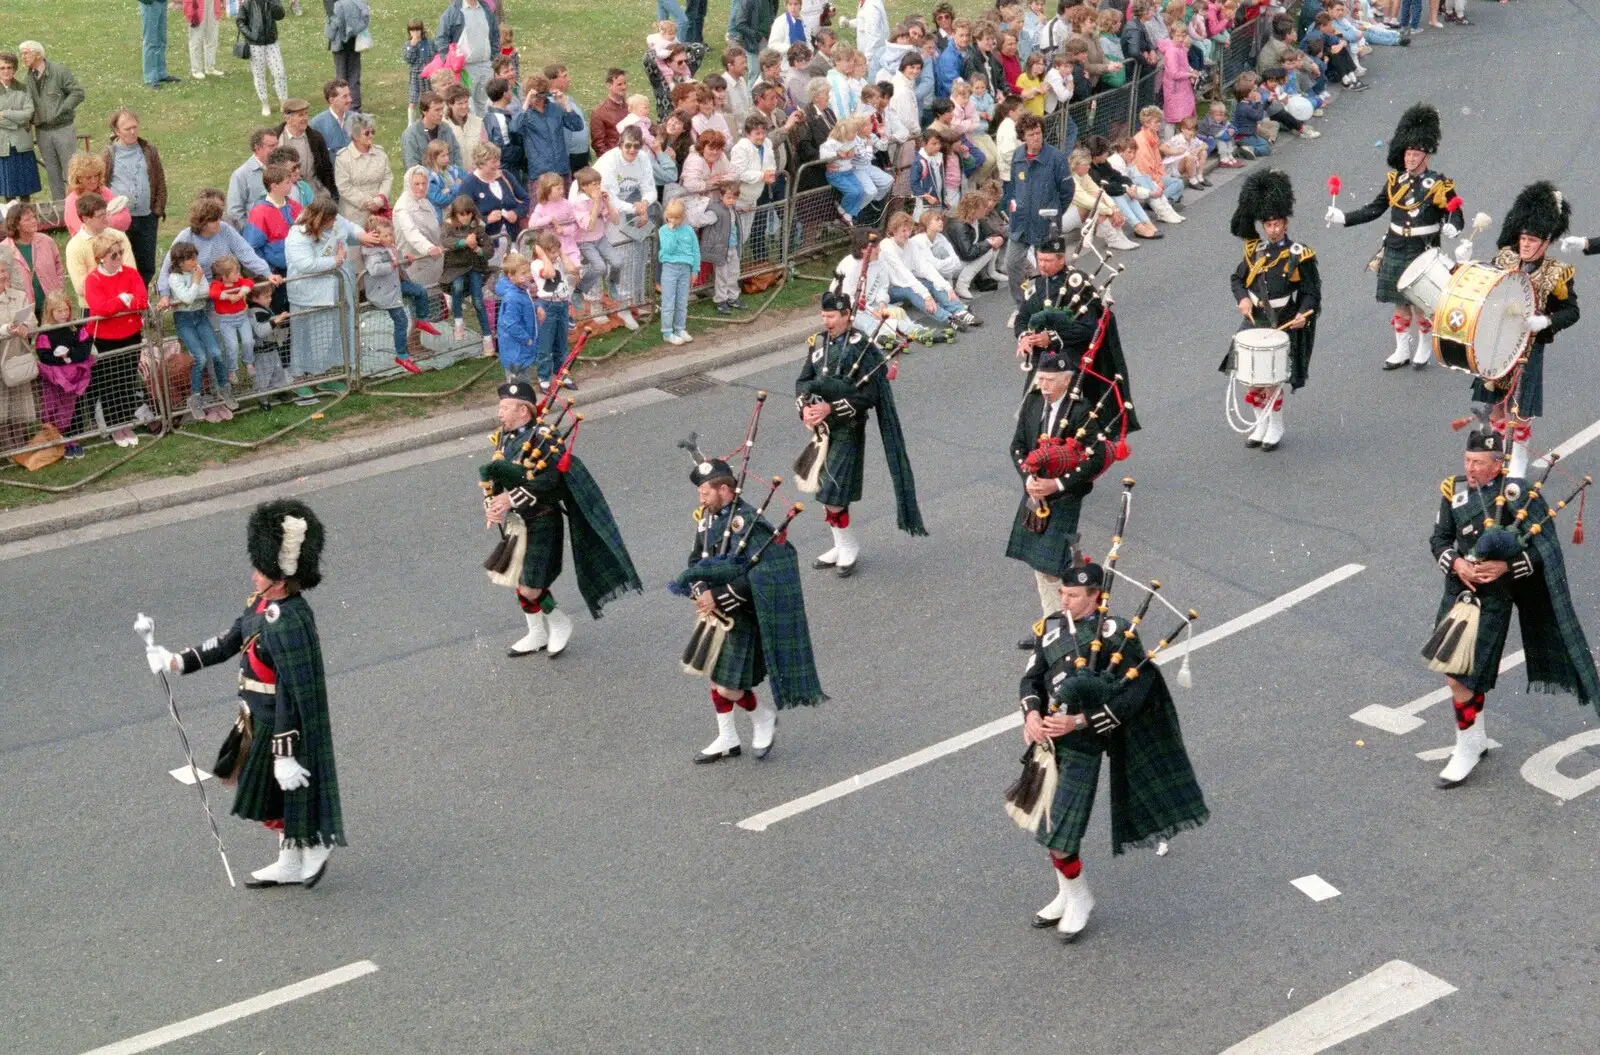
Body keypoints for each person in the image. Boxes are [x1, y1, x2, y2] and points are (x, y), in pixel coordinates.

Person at [147, 500, 345, 889]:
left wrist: (286, 752)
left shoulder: (290, 619)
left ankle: (314, 843)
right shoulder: (259, 604)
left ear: (281, 577)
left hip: (278, 721)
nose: (254, 575)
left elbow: (292, 689)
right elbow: (227, 641)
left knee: (273, 793)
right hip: (254, 716)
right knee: (263, 798)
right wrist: (176, 660)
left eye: (262, 570)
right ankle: (290, 858)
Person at [1017, 557, 1209, 939]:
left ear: (1095, 596)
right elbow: (1032, 679)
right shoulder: (1051, 627)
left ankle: (1080, 897)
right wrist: (1032, 714)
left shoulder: (1117, 635)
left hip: (1085, 744)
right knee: (1049, 827)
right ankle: (1067, 893)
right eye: (1063, 593)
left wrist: (1079, 722)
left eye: (1073, 595)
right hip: (1048, 744)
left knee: (1061, 837)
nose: (1065, 600)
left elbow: (1130, 697)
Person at [1424, 429, 1600, 787]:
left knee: (1459, 675)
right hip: (1458, 592)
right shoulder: (1453, 490)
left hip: (1496, 597)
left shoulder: (1518, 495)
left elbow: (1543, 551)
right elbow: (1439, 539)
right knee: (1463, 674)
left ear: (1497, 464)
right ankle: (1475, 739)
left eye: (1479, 463)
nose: (1471, 468)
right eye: (1467, 460)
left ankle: (1467, 748)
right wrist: (1457, 563)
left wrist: (1505, 567)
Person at [674, 444, 826, 762]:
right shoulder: (707, 520)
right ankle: (727, 738)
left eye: (705, 493)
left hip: (743, 614)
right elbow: (695, 560)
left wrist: (718, 596)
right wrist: (701, 591)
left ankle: (763, 717)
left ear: (725, 490)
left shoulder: (749, 524)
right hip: (713, 612)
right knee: (714, 675)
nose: (701, 499)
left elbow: (767, 571)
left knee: (728, 686)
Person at [480, 375, 642, 655]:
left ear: (523, 410)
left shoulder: (546, 438)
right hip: (517, 522)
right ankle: (537, 633)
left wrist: (509, 499)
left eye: (504, 407)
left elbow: (549, 483)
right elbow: (497, 473)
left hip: (543, 520)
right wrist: (492, 502)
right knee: (519, 579)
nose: (499, 412)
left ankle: (559, 621)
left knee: (531, 587)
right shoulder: (506, 437)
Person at [795, 289, 926, 576]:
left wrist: (831, 408)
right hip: (822, 429)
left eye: (831, 316)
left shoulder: (862, 346)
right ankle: (840, 544)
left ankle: (848, 545)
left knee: (833, 491)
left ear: (847, 316)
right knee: (825, 489)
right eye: (823, 315)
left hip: (848, 426)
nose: (826, 321)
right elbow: (804, 380)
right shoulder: (818, 342)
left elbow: (870, 395)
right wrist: (806, 407)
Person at [1326, 104, 1464, 370]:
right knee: (1399, 302)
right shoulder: (1395, 181)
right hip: (1396, 245)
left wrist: (1452, 226)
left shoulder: (1438, 183)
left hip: (1423, 249)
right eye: (1408, 154)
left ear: (1426, 156)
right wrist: (1344, 218)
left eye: (1415, 154)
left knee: (1421, 303)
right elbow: (1375, 209)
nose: (1410, 159)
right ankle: (1402, 349)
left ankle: (1424, 344)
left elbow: (1455, 212)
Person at [1470, 183, 1579, 478]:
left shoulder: (1557, 272)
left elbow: (1572, 311)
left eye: (1532, 240)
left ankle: (1517, 461)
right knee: (1493, 404)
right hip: (1497, 341)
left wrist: (1547, 322)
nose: (1526, 244)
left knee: (1520, 411)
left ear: (1545, 242)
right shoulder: (1504, 258)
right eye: (1523, 238)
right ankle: (1496, 459)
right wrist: (1465, 266)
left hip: (1529, 347)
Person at [1005, 349, 1113, 633]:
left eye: (1050, 380)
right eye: (1040, 378)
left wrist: (1057, 484)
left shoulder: (1081, 411)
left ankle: (1056, 627)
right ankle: (1065, 616)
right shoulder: (1032, 403)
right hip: (1034, 493)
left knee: (1049, 567)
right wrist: (1028, 478)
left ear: (1066, 380)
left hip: (1064, 496)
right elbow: (1017, 446)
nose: (1043, 385)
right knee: (1045, 564)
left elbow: (1097, 457)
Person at [1219, 169, 1319, 453]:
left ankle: (1275, 424)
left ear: (1285, 223)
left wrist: (1304, 314)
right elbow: (1237, 279)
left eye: (1277, 224)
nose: (1272, 229)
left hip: (1283, 319)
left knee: (1272, 379)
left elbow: (1311, 292)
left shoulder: (1300, 254)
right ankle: (1260, 423)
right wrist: (1242, 300)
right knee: (1250, 375)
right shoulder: (1254, 250)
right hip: (1255, 317)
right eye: (1268, 224)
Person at [81, 233, 149, 448]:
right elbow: (100, 308)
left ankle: (126, 422)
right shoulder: (93, 279)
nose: (119, 257)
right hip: (105, 339)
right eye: (114, 255)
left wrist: (120, 304)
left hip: (130, 334)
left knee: (127, 379)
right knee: (110, 383)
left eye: (121, 253)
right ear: (101, 257)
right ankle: (113, 426)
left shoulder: (130, 273)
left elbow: (142, 301)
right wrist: (122, 300)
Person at [1002, 113, 1072, 310]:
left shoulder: (1056, 158)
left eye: (1038, 133)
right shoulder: (1017, 155)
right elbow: (1013, 188)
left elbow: (1067, 191)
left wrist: (1055, 212)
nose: (1036, 138)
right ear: (1022, 136)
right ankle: (1022, 307)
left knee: (1050, 267)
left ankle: (1053, 304)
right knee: (1012, 263)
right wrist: (1014, 208)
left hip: (1046, 224)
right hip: (1020, 223)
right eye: (1031, 134)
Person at [100, 108, 167, 286]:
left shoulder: (148, 150)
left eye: (135, 127)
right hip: (120, 221)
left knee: (146, 266)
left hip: (146, 218)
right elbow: (101, 186)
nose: (132, 132)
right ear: (116, 131)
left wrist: (157, 211)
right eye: (127, 128)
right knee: (124, 263)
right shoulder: (109, 154)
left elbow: (159, 180)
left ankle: (142, 303)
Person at [168, 242, 229, 419]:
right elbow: (186, 299)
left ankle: (224, 388)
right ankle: (195, 397)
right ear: (180, 262)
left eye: (195, 257)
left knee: (216, 353)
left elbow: (205, 291)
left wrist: (194, 287)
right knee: (200, 357)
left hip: (200, 315)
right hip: (185, 320)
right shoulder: (174, 278)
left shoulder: (198, 270)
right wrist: (195, 282)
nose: (195, 261)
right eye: (191, 259)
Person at [18, 42, 82, 203]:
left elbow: (77, 93)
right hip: (42, 132)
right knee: (53, 173)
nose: (23, 57)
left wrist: (61, 110)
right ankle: (60, 210)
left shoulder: (59, 71)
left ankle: (76, 207)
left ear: (39, 54)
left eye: (26, 53)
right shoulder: (28, 78)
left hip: (63, 128)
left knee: (71, 171)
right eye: (22, 53)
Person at [31, 291, 92, 456]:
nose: (64, 314)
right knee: (55, 408)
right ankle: (58, 440)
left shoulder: (76, 327)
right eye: (59, 311)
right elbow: (44, 356)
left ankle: (74, 438)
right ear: (50, 313)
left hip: (76, 378)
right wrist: (62, 360)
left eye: (66, 310)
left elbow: (85, 348)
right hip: (56, 381)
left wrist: (70, 357)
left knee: (74, 408)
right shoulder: (45, 333)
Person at [568, 166, 627, 327]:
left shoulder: (601, 198)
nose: (597, 187)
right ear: (584, 187)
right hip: (584, 241)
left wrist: (607, 203)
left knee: (617, 262)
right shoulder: (578, 203)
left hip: (600, 238)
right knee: (599, 266)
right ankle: (579, 292)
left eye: (598, 183)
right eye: (593, 184)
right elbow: (589, 226)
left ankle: (612, 282)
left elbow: (615, 220)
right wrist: (595, 203)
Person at [513, 74, 585, 187]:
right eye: (534, 95)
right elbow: (515, 128)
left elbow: (577, 126)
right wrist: (526, 102)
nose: (537, 99)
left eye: (540, 95)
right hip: (540, 172)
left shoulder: (555, 109)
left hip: (561, 169)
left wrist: (565, 103)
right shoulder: (525, 113)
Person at [2, 202, 64, 320]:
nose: (34, 221)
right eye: (28, 219)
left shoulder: (47, 241)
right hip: (23, 310)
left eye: (34, 217)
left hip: (52, 306)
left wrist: (59, 289)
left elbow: (58, 267)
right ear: (16, 225)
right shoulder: (4, 250)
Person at [437, 0, 500, 115]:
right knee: (468, 106)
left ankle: (485, 132)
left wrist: (494, 59)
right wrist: (449, 61)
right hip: (465, 69)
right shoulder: (453, 12)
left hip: (486, 66)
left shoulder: (486, 10)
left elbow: (495, 35)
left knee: (486, 106)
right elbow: (441, 38)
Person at [0, 261, 37, 452]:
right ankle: (7, 446)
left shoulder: (20, 296)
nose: (1, 276)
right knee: (2, 406)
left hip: (18, 358)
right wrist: (4, 330)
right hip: (0, 361)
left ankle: (22, 443)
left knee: (20, 402)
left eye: (3, 271)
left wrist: (26, 326)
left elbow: (33, 321)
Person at [333, 113, 392, 228]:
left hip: (379, 213)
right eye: (367, 133)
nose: (371, 135)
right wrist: (368, 202)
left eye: (372, 132)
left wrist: (380, 199)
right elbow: (344, 187)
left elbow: (387, 177)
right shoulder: (343, 158)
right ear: (355, 136)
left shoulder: (381, 154)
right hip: (354, 217)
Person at [238, 0, 290, 118]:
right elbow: (240, 21)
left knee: (279, 73)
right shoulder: (248, 2)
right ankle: (265, 103)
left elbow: (280, 15)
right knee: (259, 75)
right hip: (255, 45)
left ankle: (284, 102)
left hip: (271, 42)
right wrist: (251, 35)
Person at [276, 99, 337, 200]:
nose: (305, 118)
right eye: (300, 115)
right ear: (288, 119)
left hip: (315, 192)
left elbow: (326, 169)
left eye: (306, 114)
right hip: (287, 194)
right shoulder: (276, 138)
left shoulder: (316, 138)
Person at [0, 52, 39, 203]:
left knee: (25, 191)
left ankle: (27, 223)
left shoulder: (23, 89)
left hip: (22, 144)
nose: (6, 71)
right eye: (2, 68)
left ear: (15, 69)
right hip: (3, 146)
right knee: (8, 192)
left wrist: (6, 114)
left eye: (9, 67)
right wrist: (17, 121)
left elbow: (28, 113)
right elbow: (22, 117)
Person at [226, 129, 280, 230]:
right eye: (271, 146)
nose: (276, 149)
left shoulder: (281, 167)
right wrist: (251, 232)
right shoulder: (241, 175)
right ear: (258, 148)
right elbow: (234, 212)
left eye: (276, 144)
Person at [322, 0, 368, 113]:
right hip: (348, 39)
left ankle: (351, 107)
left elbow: (333, 15)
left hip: (345, 40)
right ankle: (350, 106)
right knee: (346, 77)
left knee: (348, 76)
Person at [402, 92, 462, 171]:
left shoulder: (446, 129)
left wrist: (458, 175)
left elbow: (456, 155)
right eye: (437, 110)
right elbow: (412, 166)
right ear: (425, 111)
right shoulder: (411, 135)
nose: (441, 113)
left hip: (450, 179)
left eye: (442, 109)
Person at [185, 0, 225, 81]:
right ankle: (196, 70)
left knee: (212, 37)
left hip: (213, 4)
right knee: (196, 39)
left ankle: (210, 68)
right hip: (196, 5)